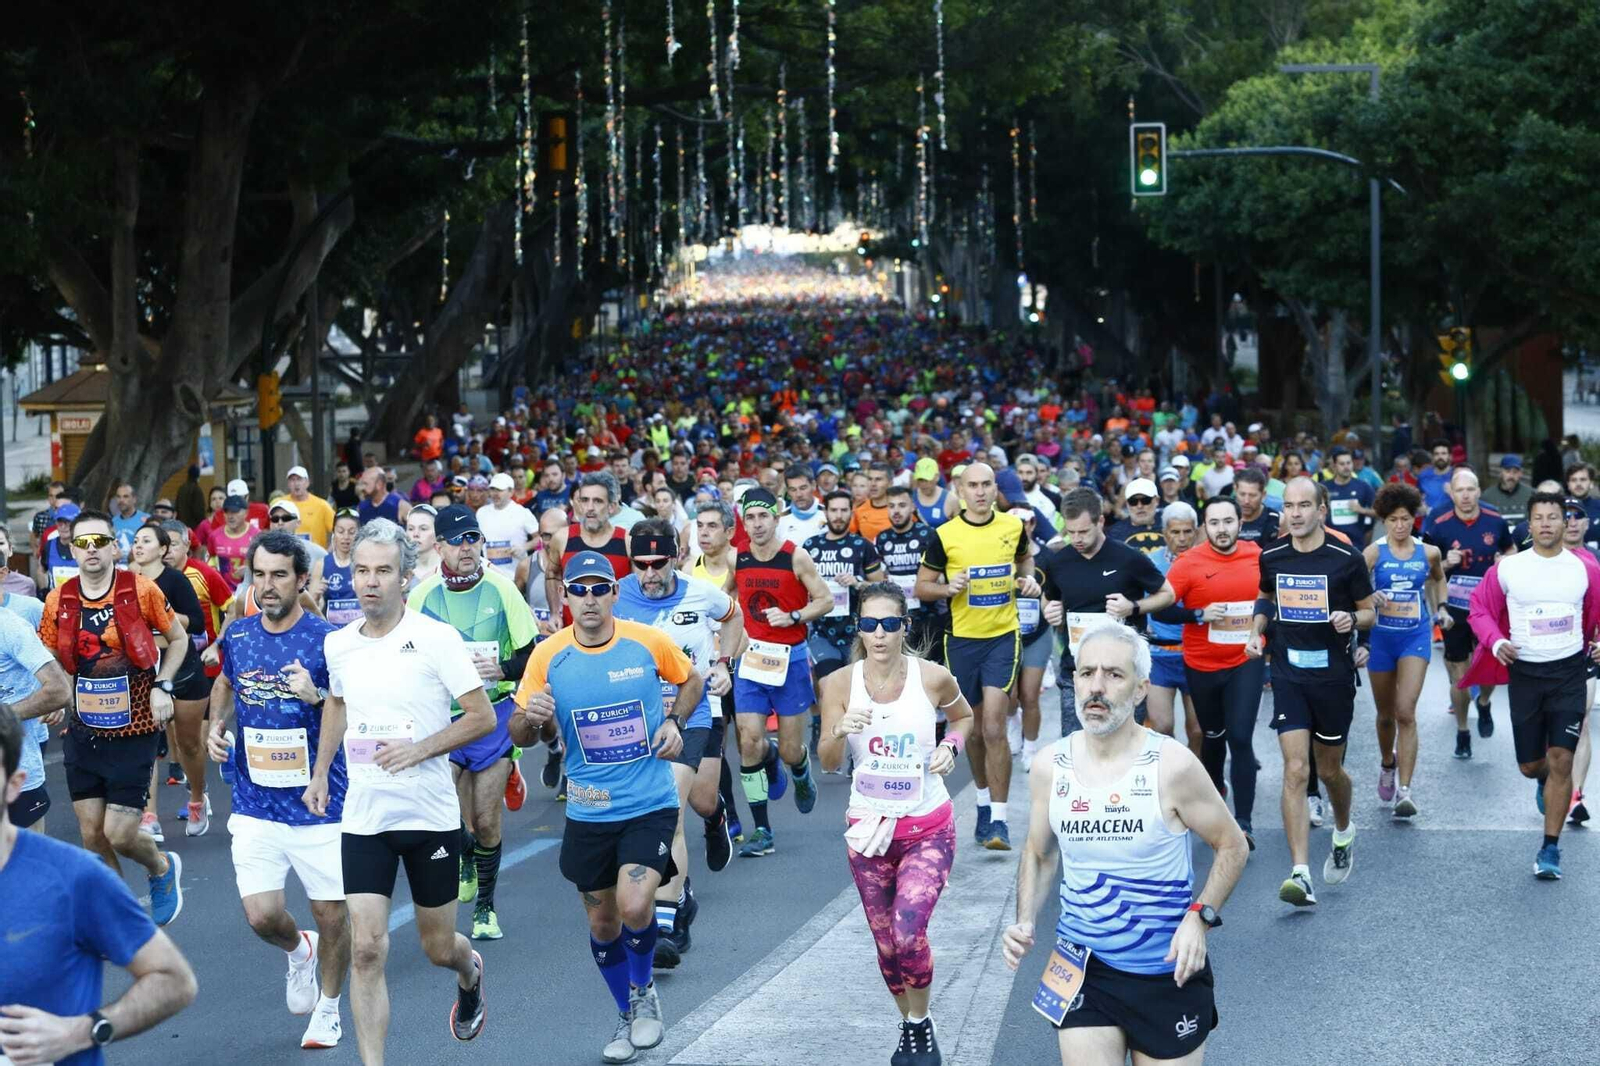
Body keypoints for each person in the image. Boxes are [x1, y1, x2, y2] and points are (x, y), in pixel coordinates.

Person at [1004, 626, 1249, 1066]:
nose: (1096, 687)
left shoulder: (1171, 765)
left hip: (1164, 971)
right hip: (1083, 967)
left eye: (1114, 675)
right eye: (1086, 672)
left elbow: (1233, 845)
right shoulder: (1049, 766)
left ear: (1141, 690)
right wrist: (1024, 921)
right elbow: (1040, 853)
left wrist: (1200, 918)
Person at [304, 518, 495, 1062]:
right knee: (366, 949)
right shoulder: (339, 645)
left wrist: (420, 749)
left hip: (428, 814)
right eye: (361, 570)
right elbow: (337, 703)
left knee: (437, 947)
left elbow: (481, 718)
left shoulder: (436, 639)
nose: (369, 582)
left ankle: (469, 969)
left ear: (406, 577)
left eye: (383, 571)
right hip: (364, 816)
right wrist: (320, 774)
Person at [510, 549, 703, 1065]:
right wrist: (532, 717)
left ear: (615, 594)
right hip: (589, 809)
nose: (590, 599)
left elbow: (691, 680)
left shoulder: (647, 642)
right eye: (580, 590)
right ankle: (627, 1010)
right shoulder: (547, 656)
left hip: (648, 803)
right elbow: (520, 732)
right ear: (566, 596)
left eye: (600, 589)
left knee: (636, 906)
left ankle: (644, 994)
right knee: (602, 926)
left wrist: (675, 723)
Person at [816, 581, 974, 1066]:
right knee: (886, 946)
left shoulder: (933, 678)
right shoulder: (839, 683)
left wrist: (950, 747)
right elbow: (825, 759)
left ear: (905, 626)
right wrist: (839, 732)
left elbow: (963, 718)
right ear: (858, 628)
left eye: (889, 624)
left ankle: (918, 1024)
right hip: (869, 831)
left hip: (927, 825)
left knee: (908, 934)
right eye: (869, 625)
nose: (879, 634)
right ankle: (911, 1024)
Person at [206, 531, 349, 1049]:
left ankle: (330, 1007)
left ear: (302, 579)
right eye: (259, 574)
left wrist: (316, 698)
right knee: (263, 916)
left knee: (333, 915)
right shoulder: (240, 635)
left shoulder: (327, 639)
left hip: (319, 804)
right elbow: (225, 682)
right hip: (255, 801)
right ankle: (298, 952)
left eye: (279, 575)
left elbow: (345, 707)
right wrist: (215, 727)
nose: (267, 586)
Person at [0, 706, 198, 1066]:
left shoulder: (74, 877)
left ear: (15, 785)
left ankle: (161, 867)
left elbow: (174, 980)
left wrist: (80, 1032)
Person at [39, 509, 188, 925]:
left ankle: (161, 868)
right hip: (84, 731)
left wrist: (163, 685)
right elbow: (50, 653)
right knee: (92, 836)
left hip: (136, 726)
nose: (91, 549)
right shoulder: (59, 599)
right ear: (71, 548)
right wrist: (55, 693)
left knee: (119, 834)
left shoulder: (140, 590)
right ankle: (119, 913)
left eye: (99, 541)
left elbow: (178, 640)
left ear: (114, 546)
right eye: (82, 542)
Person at [406, 505, 539, 942]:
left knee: (485, 820)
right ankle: (464, 855)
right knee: (440, 815)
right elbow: (405, 655)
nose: (467, 548)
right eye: (457, 540)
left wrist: (496, 670)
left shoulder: (503, 591)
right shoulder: (422, 597)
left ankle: (485, 907)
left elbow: (530, 656)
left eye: (473, 539)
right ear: (438, 545)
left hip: (494, 716)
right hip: (440, 718)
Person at [614, 519, 742, 967]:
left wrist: (723, 662)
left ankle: (665, 924)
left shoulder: (700, 591)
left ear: (676, 558)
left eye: (658, 563)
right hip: (635, 720)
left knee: (673, 811)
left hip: (693, 710)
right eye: (640, 564)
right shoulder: (616, 594)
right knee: (694, 802)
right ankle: (680, 898)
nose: (649, 573)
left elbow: (734, 617)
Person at [1249, 477, 1376, 906]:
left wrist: (1351, 621)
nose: (1297, 513)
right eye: (1290, 506)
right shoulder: (1272, 555)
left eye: (1305, 505)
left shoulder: (1346, 557)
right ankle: (1300, 873)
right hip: (1287, 674)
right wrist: (1256, 631)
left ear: (1322, 510)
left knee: (1329, 771)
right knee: (1295, 770)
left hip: (1334, 678)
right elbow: (1265, 598)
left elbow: (1369, 611)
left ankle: (1343, 828)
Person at [1462, 492, 1600, 880]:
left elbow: (1596, 614)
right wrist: (1497, 641)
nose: (1545, 524)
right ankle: (1541, 779)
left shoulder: (1585, 569)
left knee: (1562, 759)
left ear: (1564, 522)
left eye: (1553, 517)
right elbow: (1479, 609)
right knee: (1530, 766)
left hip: (1569, 673)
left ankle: (1550, 848)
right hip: (1526, 674)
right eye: (1537, 517)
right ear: (1528, 524)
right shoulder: (1509, 568)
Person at [915, 462, 1038, 850]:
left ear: (995, 489)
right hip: (961, 641)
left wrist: (1029, 579)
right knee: (974, 727)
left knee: (994, 726)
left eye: (987, 484)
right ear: (960, 490)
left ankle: (999, 821)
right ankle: (983, 802)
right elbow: (921, 587)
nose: (981, 491)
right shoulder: (944, 535)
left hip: (1002, 636)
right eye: (973, 485)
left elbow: (1026, 560)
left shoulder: (1012, 527)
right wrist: (948, 587)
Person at [730, 488, 834, 857]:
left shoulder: (796, 556)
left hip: (789, 659)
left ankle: (798, 768)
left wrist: (793, 616)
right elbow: (725, 601)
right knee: (748, 741)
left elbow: (825, 599)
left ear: (776, 518)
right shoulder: (737, 558)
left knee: (790, 749)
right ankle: (763, 830)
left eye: (763, 517)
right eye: (750, 517)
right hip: (751, 659)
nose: (756, 524)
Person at [1161, 496, 1266, 847]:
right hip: (1202, 664)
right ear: (1205, 527)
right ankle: (1215, 795)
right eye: (1215, 523)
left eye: (1229, 522)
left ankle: (1243, 823)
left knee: (1240, 737)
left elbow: (1274, 599)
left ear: (1240, 523)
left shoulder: (1258, 556)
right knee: (1214, 736)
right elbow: (1161, 610)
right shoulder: (1189, 563)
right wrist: (1196, 615)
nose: (1222, 529)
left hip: (1245, 662)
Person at [1038, 488, 1170, 738]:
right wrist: (1050, 611)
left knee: (1124, 747)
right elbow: (1049, 600)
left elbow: (1167, 594)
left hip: (1122, 671)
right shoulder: (1060, 561)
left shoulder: (1128, 558)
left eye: (1084, 531)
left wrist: (1133, 607)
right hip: (1077, 670)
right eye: (1071, 532)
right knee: (1077, 746)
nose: (1076, 538)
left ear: (1100, 522)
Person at [1363, 483, 1446, 819]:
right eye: (1394, 519)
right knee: (1385, 716)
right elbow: (1352, 591)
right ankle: (1387, 763)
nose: (1400, 525)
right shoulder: (1372, 553)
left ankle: (1405, 790)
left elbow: (1439, 579)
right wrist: (1370, 599)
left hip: (1415, 636)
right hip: (1381, 638)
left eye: (1406, 519)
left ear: (1415, 519)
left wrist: (1442, 607)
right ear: (1384, 520)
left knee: (1405, 712)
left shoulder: (1428, 553)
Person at [126, 523, 214, 835]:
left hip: (182, 666)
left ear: (163, 550)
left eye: (146, 540)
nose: (138, 545)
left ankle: (197, 797)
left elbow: (198, 622)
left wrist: (160, 614)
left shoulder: (174, 580)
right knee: (147, 742)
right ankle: (149, 815)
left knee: (188, 744)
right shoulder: (125, 581)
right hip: (144, 667)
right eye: (135, 540)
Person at [1425, 466, 1516, 759]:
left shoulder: (1494, 520)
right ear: (1451, 492)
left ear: (1479, 491)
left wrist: (1505, 560)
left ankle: (1485, 703)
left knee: (1488, 668)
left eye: (1470, 489)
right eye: (1459, 490)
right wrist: (1444, 563)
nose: (1465, 496)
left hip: (1489, 607)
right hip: (1454, 608)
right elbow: (1425, 567)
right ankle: (1463, 731)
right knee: (1459, 676)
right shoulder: (1438, 522)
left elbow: (1511, 550)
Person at [804, 490, 888, 686]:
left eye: (843, 510)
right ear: (825, 512)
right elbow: (799, 587)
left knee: (858, 687)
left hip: (856, 632)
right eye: (834, 510)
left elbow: (882, 588)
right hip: (821, 631)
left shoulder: (862, 545)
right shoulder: (810, 546)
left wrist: (857, 582)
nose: (838, 516)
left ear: (851, 512)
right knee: (827, 685)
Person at [0, 604, 71, 835]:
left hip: (14, 771)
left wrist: (5, 715)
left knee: (25, 865)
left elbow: (59, 690)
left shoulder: (10, 627)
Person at [545, 472, 633, 625]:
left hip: (617, 636)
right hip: (571, 634)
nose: (590, 508)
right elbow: (552, 574)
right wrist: (554, 612)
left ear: (612, 506)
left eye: (598, 501)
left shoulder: (627, 541)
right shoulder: (562, 538)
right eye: (584, 500)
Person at [1145, 503, 1199, 743]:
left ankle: (1200, 778)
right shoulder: (1150, 562)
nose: (1182, 538)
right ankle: (1168, 778)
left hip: (1196, 652)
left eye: (1187, 531)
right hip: (1159, 654)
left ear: (1196, 531)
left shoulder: (1206, 561)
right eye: (1175, 532)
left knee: (1198, 730)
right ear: (1164, 533)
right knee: (1161, 727)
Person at [477, 472, 541, 585]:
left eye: (500, 490)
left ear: (511, 492)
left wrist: (524, 547)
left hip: (517, 577)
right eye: (492, 489)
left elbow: (541, 538)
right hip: (489, 577)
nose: (495, 494)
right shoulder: (481, 513)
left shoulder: (522, 512)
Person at [1323, 447, 1377, 547]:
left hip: (1356, 545)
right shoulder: (1324, 488)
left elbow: (1380, 512)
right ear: (1334, 466)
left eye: (1349, 463)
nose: (1346, 467)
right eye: (1342, 464)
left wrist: (1361, 510)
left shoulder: (1363, 487)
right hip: (1331, 545)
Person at [322, 509, 363, 626]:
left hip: (362, 630)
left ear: (359, 533)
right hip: (332, 631)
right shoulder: (322, 564)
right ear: (333, 533)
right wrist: (317, 596)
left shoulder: (367, 563)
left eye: (351, 532)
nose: (346, 537)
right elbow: (311, 606)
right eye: (340, 531)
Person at [1105, 477, 1164, 554]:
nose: (1139, 506)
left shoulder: (1170, 527)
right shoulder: (1114, 534)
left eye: (1145, 500)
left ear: (1156, 501)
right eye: (1133, 501)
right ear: (1127, 504)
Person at [1481, 454, 1533, 526]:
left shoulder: (1531, 495)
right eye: (1508, 471)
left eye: (1515, 472)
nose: (1511, 476)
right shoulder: (1487, 497)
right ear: (1501, 472)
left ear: (1520, 473)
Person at [109, 482, 150, 558]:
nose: (121, 500)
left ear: (134, 499)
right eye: (118, 497)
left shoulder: (146, 520)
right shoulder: (112, 522)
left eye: (125, 496)